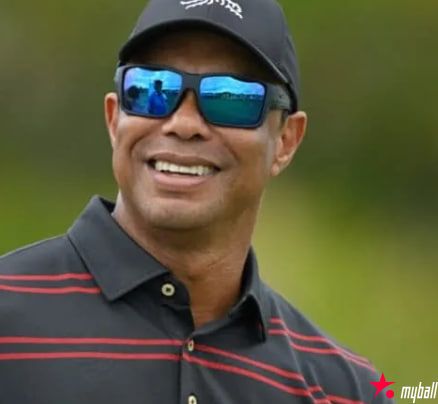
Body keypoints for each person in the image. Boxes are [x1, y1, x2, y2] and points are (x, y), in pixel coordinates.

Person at [0, 0, 393, 403]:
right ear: (114, 119)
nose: (184, 124)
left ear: (286, 141)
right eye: (153, 89)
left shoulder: (349, 391)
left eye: (231, 98)